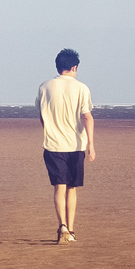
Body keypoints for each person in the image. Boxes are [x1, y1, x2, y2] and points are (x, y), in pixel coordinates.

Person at [36, 48, 95, 244]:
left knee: (59, 187)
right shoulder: (81, 88)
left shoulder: (44, 87)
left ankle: (62, 226)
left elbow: (42, 116)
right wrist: (91, 145)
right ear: (74, 67)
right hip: (75, 144)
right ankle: (70, 229)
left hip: (53, 145)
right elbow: (87, 117)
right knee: (72, 188)